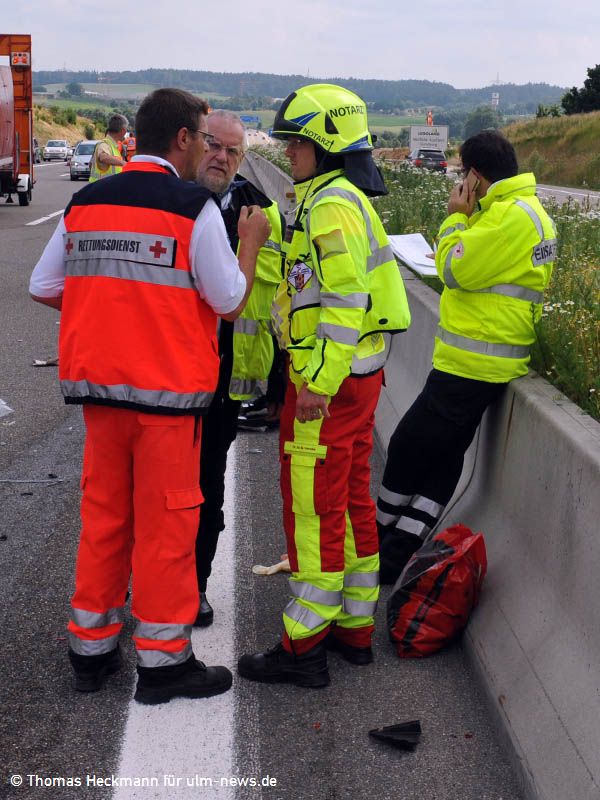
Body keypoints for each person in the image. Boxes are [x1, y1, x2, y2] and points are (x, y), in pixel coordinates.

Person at [29, 88, 271, 704]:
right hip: (167, 402)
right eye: (203, 139)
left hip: (101, 396)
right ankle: (164, 667)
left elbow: (45, 284)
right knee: (167, 530)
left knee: (104, 520)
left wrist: (111, 310)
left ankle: (91, 651)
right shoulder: (193, 208)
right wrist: (250, 244)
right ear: (184, 139)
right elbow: (229, 300)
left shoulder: (87, 202)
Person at [237, 84, 411, 688]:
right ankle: (353, 629)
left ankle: (304, 645)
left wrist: (317, 383)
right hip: (357, 379)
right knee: (352, 502)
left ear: (327, 145)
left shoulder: (332, 204)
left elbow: (343, 301)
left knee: (312, 510)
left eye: (297, 142)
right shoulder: (335, 197)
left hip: (329, 384)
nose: (288, 152)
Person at [376, 130, 556, 584]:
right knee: (443, 457)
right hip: (486, 358)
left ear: (475, 175)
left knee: (407, 445)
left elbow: (454, 269)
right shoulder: (518, 211)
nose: (459, 182)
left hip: (474, 362)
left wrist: (455, 219)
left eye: (461, 173)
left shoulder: (510, 217)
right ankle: (397, 553)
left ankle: (376, 540)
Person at [193, 110, 286, 627]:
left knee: (207, 489)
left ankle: (194, 587)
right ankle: (151, 584)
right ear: (192, 141)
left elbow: (278, 303)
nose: (221, 157)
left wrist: (274, 385)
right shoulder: (174, 200)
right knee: (159, 493)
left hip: (223, 381)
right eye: (213, 145)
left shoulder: (261, 212)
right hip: (171, 374)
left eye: (232, 151)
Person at [88, 113, 128, 181]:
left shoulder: (113, 146)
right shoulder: (104, 144)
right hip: (102, 186)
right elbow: (103, 157)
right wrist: (124, 163)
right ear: (123, 131)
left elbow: (90, 164)